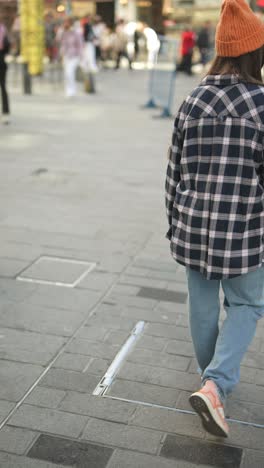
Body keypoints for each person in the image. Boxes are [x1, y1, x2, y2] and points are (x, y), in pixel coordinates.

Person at [165, 0, 264, 438]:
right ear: (254, 52)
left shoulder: (193, 98)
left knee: (202, 307)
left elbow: (175, 171)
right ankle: (215, 385)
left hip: (194, 226)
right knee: (247, 302)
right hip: (243, 230)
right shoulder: (261, 104)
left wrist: (175, 221)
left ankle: (210, 385)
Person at [59, 17, 83, 97]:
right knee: (66, 73)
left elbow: (80, 44)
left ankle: (72, 89)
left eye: (67, 23)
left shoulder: (76, 32)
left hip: (74, 56)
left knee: (70, 72)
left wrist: (81, 56)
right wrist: (61, 31)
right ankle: (68, 89)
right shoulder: (63, 32)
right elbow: (59, 41)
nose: (66, 24)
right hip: (65, 55)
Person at [0, 18, 10, 124]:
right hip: (1, 59)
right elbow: (7, 47)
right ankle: (5, 113)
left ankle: (5, 113)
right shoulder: (2, 28)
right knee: (3, 87)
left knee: (3, 87)